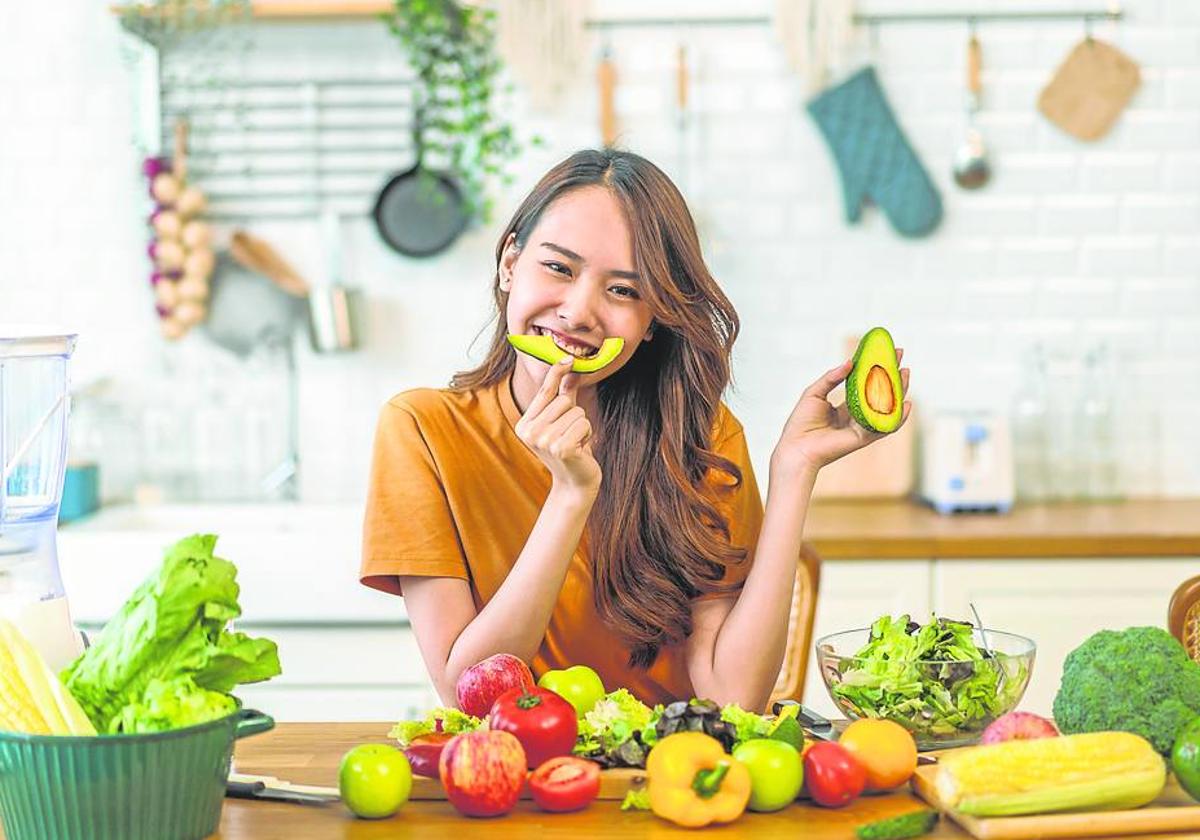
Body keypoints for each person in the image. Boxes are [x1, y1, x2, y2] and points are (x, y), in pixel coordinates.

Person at [361, 148, 909, 712]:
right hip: (518, 782)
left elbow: (735, 696)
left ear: (652, 322)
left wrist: (794, 472)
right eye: (558, 267)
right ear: (509, 264)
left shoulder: (701, 438)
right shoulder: (421, 430)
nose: (577, 312)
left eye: (623, 290)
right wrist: (570, 495)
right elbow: (467, 692)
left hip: (670, 779)